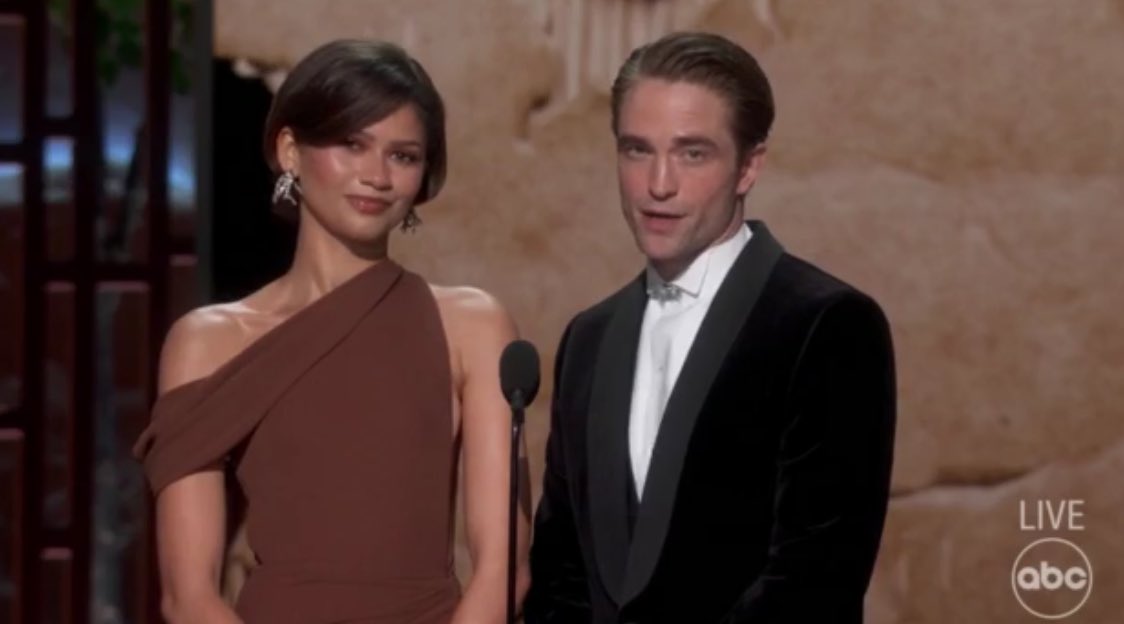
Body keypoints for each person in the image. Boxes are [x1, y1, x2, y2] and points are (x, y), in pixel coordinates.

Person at [133, 39, 530, 624]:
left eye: (403, 156)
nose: (376, 176)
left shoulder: (472, 325)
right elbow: (188, 596)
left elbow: (504, 569)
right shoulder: (208, 341)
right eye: (352, 145)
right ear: (290, 150)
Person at [524, 32, 896, 623]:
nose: (659, 184)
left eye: (692, 153)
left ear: (749, 166)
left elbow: (813, 582)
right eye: (637, 150)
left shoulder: (827, 325)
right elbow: (561, 573)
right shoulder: (588, 339)